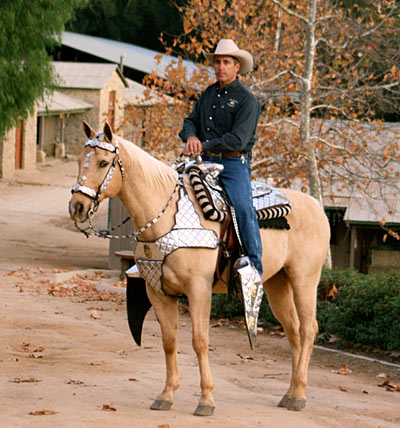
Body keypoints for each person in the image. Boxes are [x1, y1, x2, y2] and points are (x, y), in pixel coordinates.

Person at [179, 39, 263, 276]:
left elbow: (237, 139)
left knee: (243, 208)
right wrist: (191, 137)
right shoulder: (208, 93)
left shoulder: (248, 100)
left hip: (233, 164)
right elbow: (190, 121)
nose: (220, 67)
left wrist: (201, 144)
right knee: (170, 192)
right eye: (217, 62)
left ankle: (254, 268)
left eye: (226, 62)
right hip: (201, 161)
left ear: (237, 67)